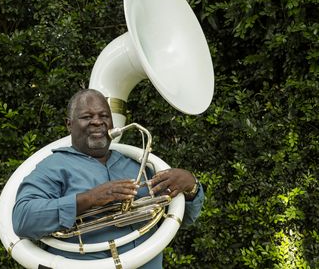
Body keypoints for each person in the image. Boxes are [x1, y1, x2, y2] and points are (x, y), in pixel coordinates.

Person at [12, 89, 204, 268]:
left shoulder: (140, 165)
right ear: (69, 124)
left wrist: (191, 187)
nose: (97, 122)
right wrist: (90, 199)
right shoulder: (53, 166)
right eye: (87, 117)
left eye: (104, 116)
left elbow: (181, 217)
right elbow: (23, 218)